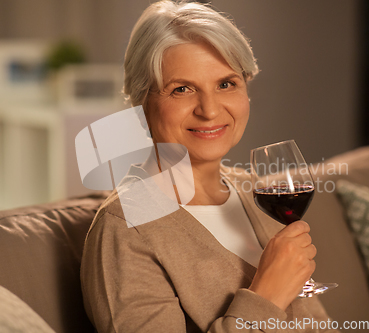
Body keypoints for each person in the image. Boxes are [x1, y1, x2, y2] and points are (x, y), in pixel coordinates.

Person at [81, 1, 339, 332]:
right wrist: (267, 297)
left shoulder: (254, 192)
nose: (210, 110)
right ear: (140, 103)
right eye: (182, 89)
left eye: (226, 84)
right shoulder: (126, 228)